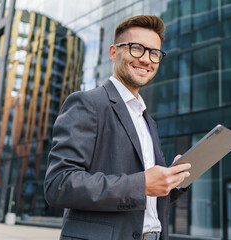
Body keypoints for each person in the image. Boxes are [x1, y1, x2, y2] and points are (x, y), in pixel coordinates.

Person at [44, 15, 191, 240]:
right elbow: (59, 184)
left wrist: (170, 183)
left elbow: (143, 196)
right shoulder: (87, 103)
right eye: (136, 48)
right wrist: (142, 183)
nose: (146, 59)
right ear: (114, 52)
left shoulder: (146, 119)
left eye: (154, 53)